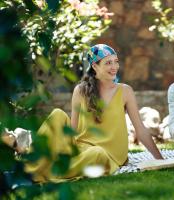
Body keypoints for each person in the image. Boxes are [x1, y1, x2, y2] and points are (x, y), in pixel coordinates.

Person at [2, 44, 163, 183]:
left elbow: (140, 129)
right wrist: (61, 144)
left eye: (116, 62)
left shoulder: (125, 91)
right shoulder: (80, 90)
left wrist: (160, 159)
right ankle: (30, 166)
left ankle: (42, 173)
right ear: (95, 66)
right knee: (58, 114)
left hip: (108, 155)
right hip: (82, 148)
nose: (114, 67)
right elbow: (72, 130)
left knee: (96, 153)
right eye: (108, 63)